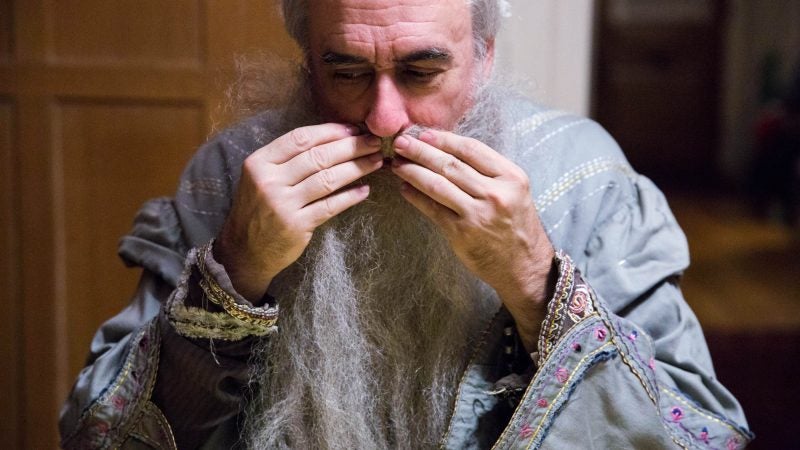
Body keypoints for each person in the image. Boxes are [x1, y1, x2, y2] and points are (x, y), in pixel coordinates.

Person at [59, 0, 753, 448]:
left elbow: (698, 436)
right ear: (309, 62)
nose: (384, 119)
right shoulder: (232, 172)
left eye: (422, 71)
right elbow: (101, 438)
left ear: (483, 56)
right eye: (348, 71)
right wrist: (235, 270)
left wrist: (536, 281)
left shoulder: (586, 177)